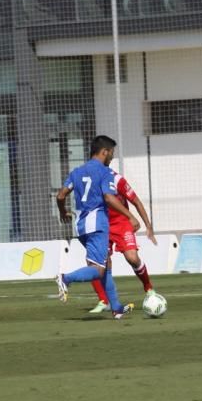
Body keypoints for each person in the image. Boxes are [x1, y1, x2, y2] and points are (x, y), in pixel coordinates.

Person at [55, 136, 138, 320]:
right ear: (104, 152)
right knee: (98, 269)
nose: (111, 158)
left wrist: (63, 212)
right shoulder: (105, 172)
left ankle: (116, 308)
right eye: (111, 154)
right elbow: (109, 198)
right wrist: (129, 215)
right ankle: (65, 278)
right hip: (97, 224)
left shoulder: (77, 172)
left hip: (82, 225)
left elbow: (61, 195)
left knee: (105, 263)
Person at [86, 167, 158, 314]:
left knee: (132, 257)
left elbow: (136, 201)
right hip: (102, 224)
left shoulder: (117, 179)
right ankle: (103, 301)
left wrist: (148, 225)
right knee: (98, 262)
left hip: (121, 223)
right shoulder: (88, 179)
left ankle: (149, 288)